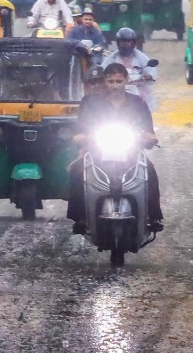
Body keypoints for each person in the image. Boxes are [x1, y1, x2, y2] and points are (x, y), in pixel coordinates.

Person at [67, 62, 163, 234]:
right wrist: (85, 138)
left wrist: (148, 138)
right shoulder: (90, 102)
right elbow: (78, 133)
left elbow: (149, 133)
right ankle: (80, 217)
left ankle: (154, 216)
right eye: (110, 82)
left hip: (130, 151)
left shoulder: (138, 102)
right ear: (105, 81)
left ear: (126, 81)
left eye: (118, 81)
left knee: (150, 171)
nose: (114, 86)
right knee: (77, 170)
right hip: (97, 151)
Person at [107, 27, 156, 109]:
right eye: (123, 41)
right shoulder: (112, 57)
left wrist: (149, 76)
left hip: (138, 89)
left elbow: (151, 69)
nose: (126, 44)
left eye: (128, 41)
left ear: (133, 43)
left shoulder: (140, 56)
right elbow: (103, 68)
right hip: (117, 88)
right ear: (118, 42)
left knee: (145, 104)